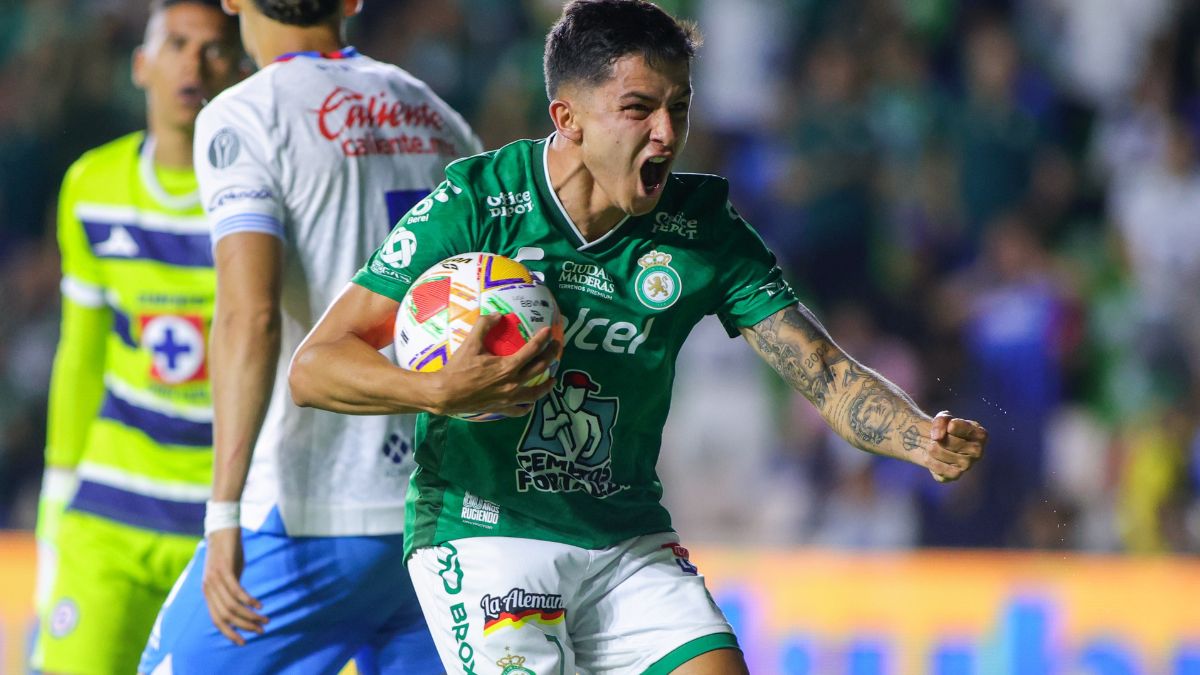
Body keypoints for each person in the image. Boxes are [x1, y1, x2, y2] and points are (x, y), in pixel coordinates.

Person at [289, 1, 989, 673]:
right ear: (567, 119)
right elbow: (315, 366)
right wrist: (436, 388)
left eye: (678, 108)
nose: (665, 132)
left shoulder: (702, 229)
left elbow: (825, 373)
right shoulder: (479, 204)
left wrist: (917, 437)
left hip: (626, 538)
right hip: (486, 532)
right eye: (638, 109)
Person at [136, 1, 543, 673]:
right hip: (435, 514)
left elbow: (251, 316)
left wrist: (223, 512)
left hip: (309, 512)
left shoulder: (243, 113)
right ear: (353, 1)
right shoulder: (437, 115)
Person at [29, 3, 244, 674]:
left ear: (238, 72)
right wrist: (55, 501)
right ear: (141, 64)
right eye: (176, 44)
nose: (193, 62)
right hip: (109, 509)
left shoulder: (262, 197)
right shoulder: (91, 186)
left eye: (212, 50)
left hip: (221, 521)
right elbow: (81, 353)